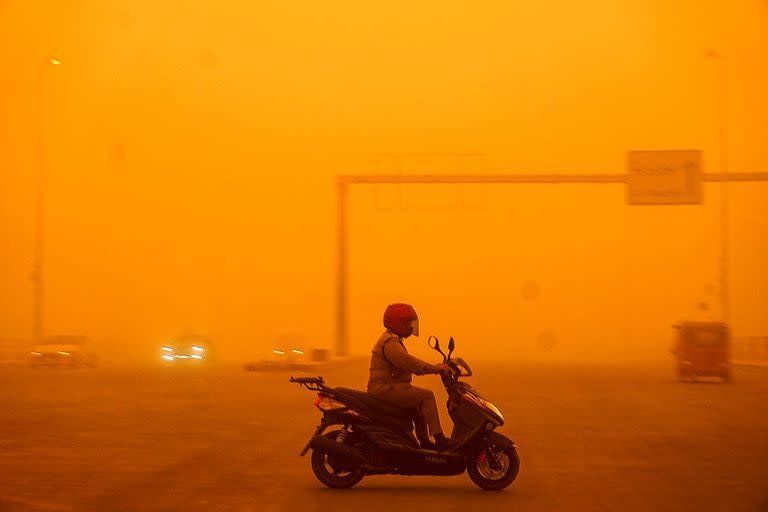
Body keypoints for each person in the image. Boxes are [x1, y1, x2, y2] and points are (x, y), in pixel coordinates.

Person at [367, 303, 453, 450]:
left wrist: (436, 367)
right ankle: (439, 439)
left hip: (390, 387)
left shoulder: (392, 339)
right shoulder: (389, 342)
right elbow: (408, 362)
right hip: (384, 388)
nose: (412, 327)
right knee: (427, 396)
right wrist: (436, 369)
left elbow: (407, 362)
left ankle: (424, 442)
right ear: (397, 322)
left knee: (417, 408)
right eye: (408, 323)